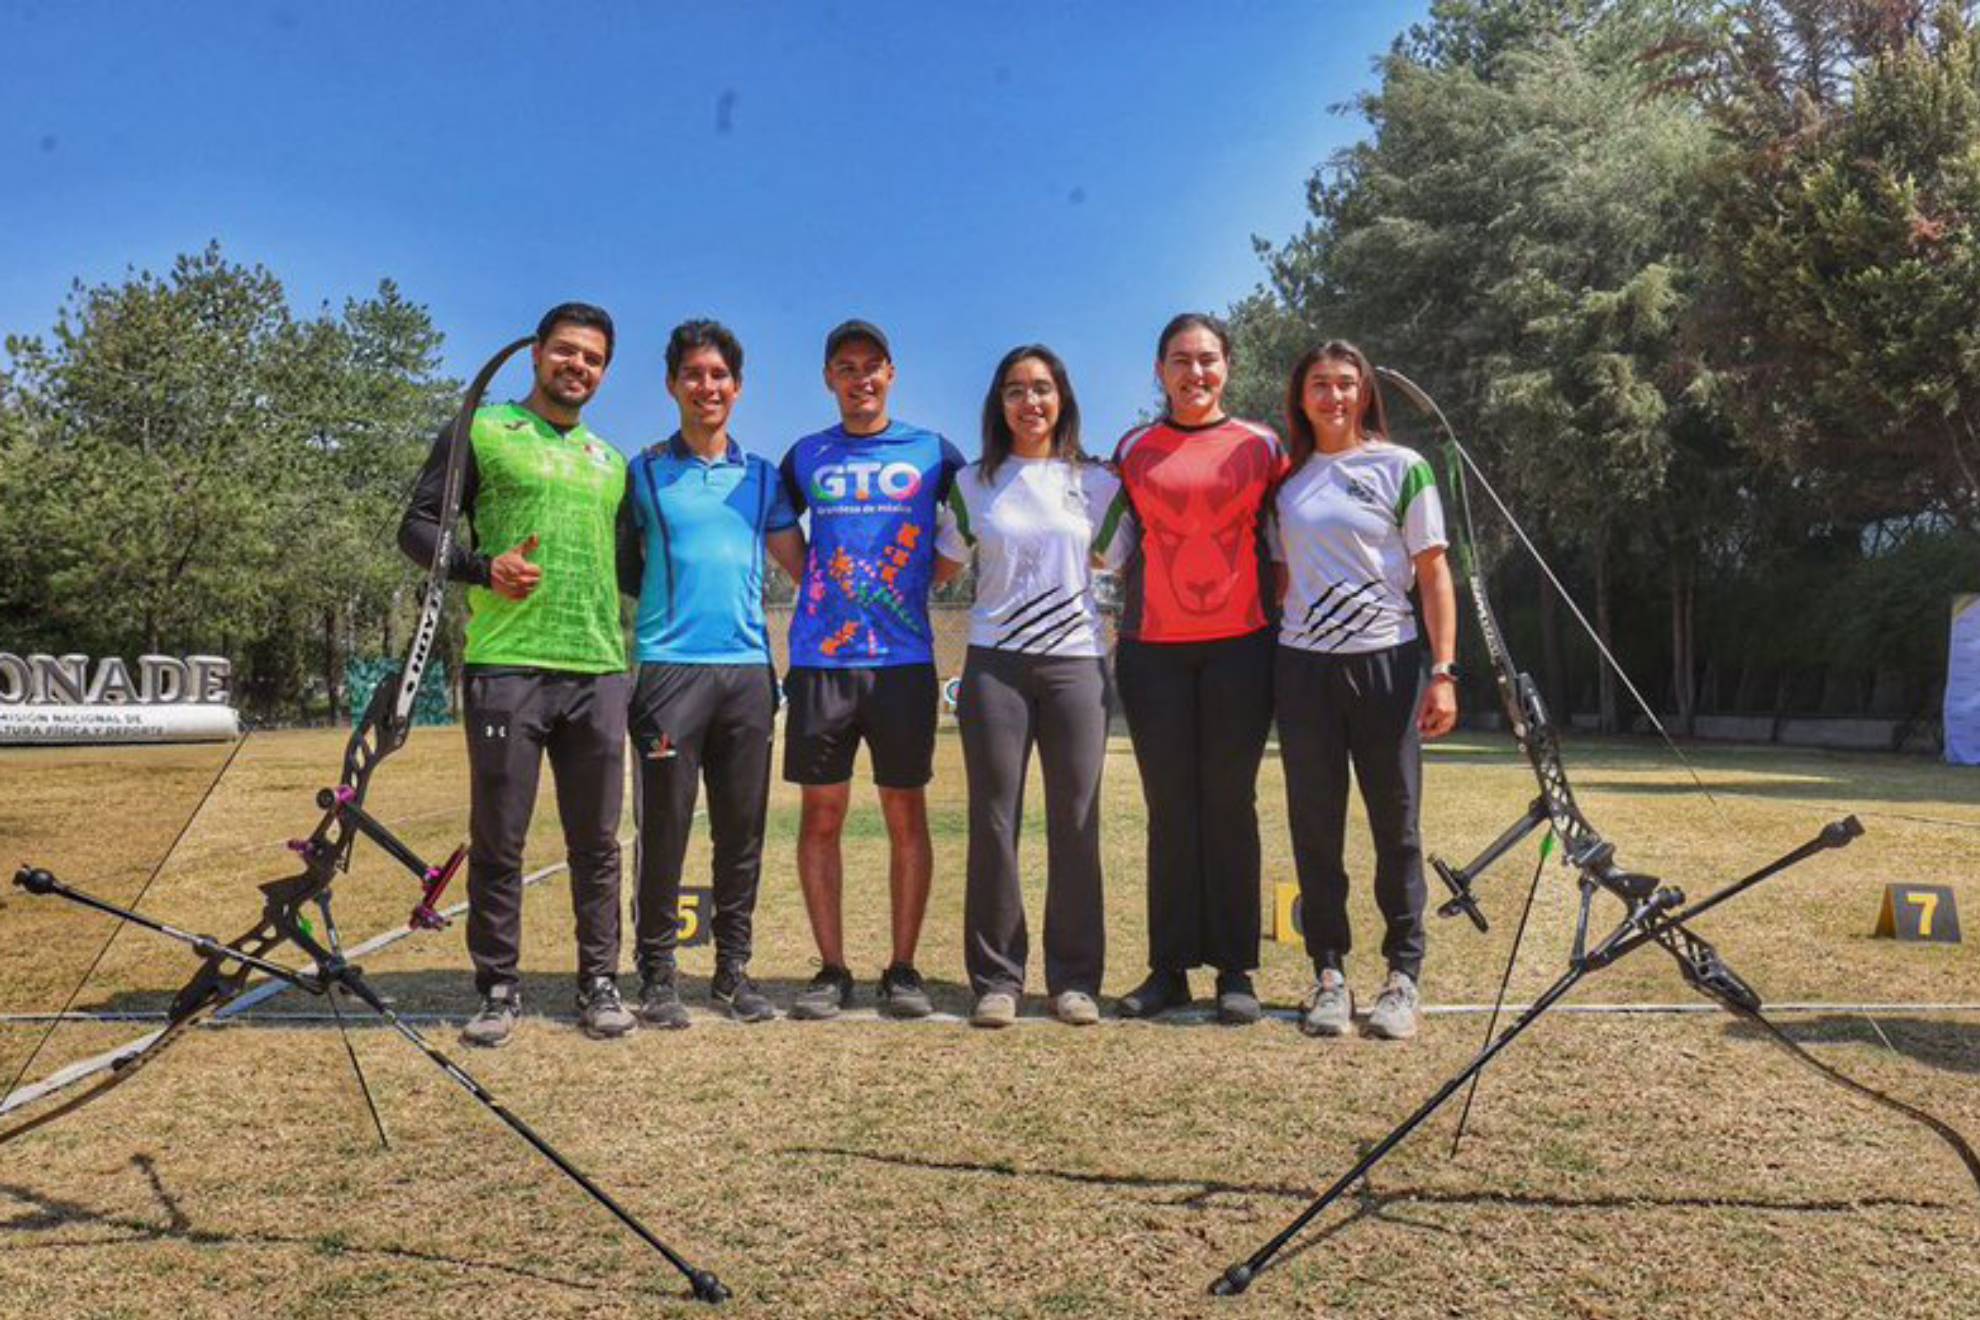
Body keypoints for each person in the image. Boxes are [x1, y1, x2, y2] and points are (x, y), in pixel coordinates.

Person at [398, 302, 636, 1047]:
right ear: (537, 354)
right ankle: (498, 988)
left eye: (593, 358)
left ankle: (599, 984)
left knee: (597, 843)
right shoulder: (483, 428)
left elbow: (633, 566)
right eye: (566, 352)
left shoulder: (613, 460)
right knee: (500, 839)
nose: (578, 367)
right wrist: (479, 567)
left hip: (599, 668)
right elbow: (417, 526)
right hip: (506, 666)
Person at [1097, 312, 1286, 1024]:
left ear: (1227, 366)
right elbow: (1108, 545)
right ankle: (1168, 968)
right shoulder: (1133, 449)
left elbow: (1283, 546)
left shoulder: (1264, 446)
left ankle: (1236, 970)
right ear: (1159, 370)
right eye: (1180, 360)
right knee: (1170, 809)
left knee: (1231, 805)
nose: (1194, 372)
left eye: (1207, 359)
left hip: (1244, 645)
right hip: (1154, 653)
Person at [619, 320, 806, 1029]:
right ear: (672, 384)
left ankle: (733, 974)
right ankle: (658, 977)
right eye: (694, 374)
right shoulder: (642, 472)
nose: (708, 387)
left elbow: (802, 567)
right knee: (664, 827)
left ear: (738, 386)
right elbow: (624, 566)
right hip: (669, 672)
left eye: (720, 375)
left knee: (741, 831)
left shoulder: (762, 479)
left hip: (748, 677)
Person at [1271, 340, 1457, 1042]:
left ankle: (1402, 976)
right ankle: (1327, 974)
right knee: (1315, 830)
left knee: (1396, 828)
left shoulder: (1402, 467)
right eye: (1320, 384)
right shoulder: (1286, 484)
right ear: (1300, 397)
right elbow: (1283, 582)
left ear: (1365, 392)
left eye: (1347, 384)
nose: (1334, 396)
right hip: (1303, 669)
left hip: (1387, 663)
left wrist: (1443, 671)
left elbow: (1434, 574)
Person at [779, 320, 965, 1020]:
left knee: (904, 814)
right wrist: (819, 584)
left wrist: (932, 578)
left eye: (873, 366)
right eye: (846, 367)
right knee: (820, 817)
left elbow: (974, 517)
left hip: (905, 664)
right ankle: (831, 969)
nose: (861, 379)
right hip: (822, 663)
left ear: (893, 373)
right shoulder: (804, 456)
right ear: (829, 377)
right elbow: (779, 530)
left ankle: (904, 969)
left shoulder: (933, 452)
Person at [937, 346, 1127, 1028]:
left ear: (1063, 399)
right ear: (999, 404)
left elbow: (1121, 560)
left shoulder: (1100, 483)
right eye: (1015, 390)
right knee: (994, 823)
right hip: (995, 668)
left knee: (1077, 822)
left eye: (1042, 389)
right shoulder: (971, 483)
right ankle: (997, 979)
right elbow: (937, 568)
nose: (1030, 402)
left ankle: (1074, 979)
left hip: (1077, 664)